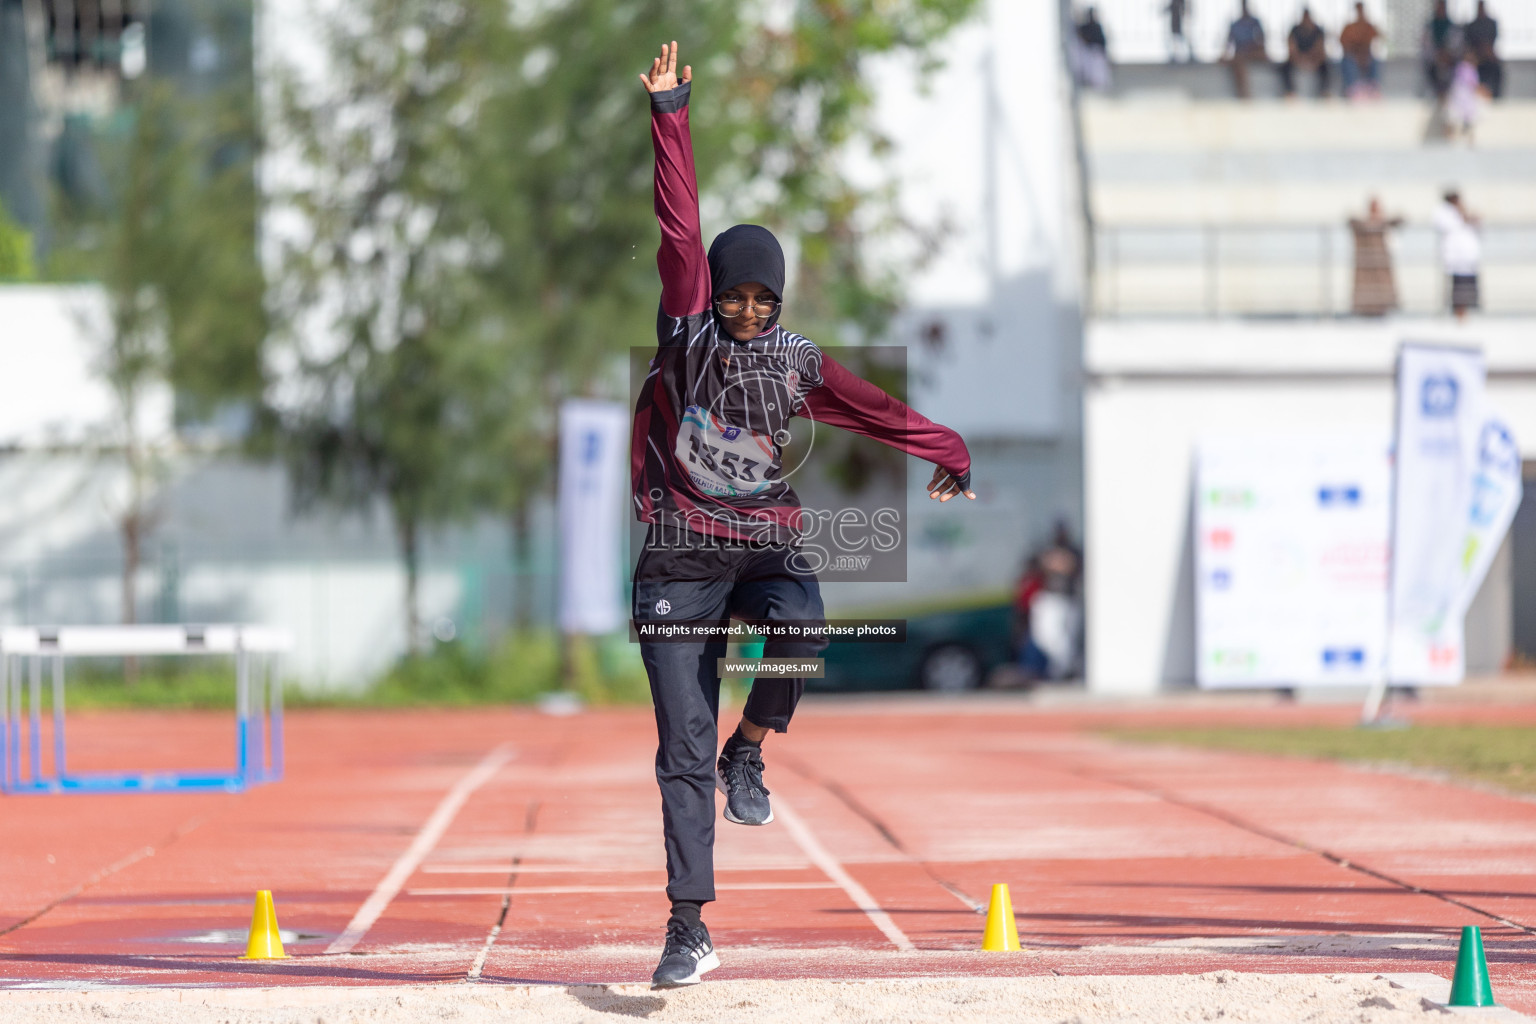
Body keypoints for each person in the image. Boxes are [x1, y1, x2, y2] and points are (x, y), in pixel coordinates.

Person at [634, 42, 975, 988]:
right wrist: (673, 117)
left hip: (764, 547)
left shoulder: (796, 358)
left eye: (761, 297)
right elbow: (678, 227)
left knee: (804, 630)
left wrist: (948, 450)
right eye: (734, 293)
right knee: (679, 749)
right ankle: (688, 925)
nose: (745, 309)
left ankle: (753, 749)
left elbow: (874, 408)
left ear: (778, 301)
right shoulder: (687, 330)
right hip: (678, 558)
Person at [1347, 197, 1403, 316]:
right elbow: (1351, 221)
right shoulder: (1364, 224)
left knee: (1380, 291)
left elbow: (1399, 220)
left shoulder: (1382, 223)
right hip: (1367, 264)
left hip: (1380, 263)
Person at [1432, 190, 1481, 320]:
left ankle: (1468, 310)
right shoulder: (1443, 212)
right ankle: (1457, 311)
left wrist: (1464, 213)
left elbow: (1476, 224)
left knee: (1469, 284)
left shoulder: (1463, 211)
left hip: (1467, 256)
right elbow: (1446, 226)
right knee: (1457, 285)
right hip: (1455, 256)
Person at [1222, 1, 1269, 99]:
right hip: (1240, 55)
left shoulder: (1255, 22)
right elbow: (1228, 43)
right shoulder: (1235, 25)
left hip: (1253, 52)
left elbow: (1262, 41)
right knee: (1238, 62)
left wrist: (1251, 47)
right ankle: (1244, 93)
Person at [1280, 8, 1330, 99]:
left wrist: (1313, 62)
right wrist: (1300, 60)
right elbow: (1292, 49)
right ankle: (1289, 92)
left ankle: (1324, 92)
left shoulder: (1318, 31)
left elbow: (1320, 50)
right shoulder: (1295, 30)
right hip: (1297, 60)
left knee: (1326, 67)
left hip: (1314, 60)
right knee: (1285, 68)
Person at [1339, 2, 1382, 99]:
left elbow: (1379, 37)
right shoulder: (1348, 27)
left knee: (1375, 61)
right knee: (1347, 62)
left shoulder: (1368, 26)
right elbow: (1345, 46)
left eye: (1362, 10)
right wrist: (1357, 56)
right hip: (1352, 56)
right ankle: (1352, 89)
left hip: (1366, 56)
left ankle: (1373, 89)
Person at [1422, 0, 1460, 100]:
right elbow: (1426, 45)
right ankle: (1437, 95)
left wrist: (1447, 54)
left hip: (1449, 59)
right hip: (1434, 59)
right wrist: (1437, 55)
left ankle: (1448, 96)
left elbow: (1456, 43)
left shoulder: (1452, 26)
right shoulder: (1430, 26)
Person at [1464, 1, 1502, 99]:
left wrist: (1487, 50)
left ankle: (1494, 96)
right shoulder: (1471, 26)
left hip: (1489, 55)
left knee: (1496, 68)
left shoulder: (1491, 23)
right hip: (1476, 56)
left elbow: (1493, 40)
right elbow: (1468, 43)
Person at [1074, 7, 1113, 91]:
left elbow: (1102, 42)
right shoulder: (1086, 27)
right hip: (1089, 55)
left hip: (1097, 55)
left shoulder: (1097, 26)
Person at [1447, 55, 1484, 143]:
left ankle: (1455, 139)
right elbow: (1472, 84)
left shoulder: (1459, 69)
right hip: (1464, 98)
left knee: (1456, 120)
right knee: (1463, 119)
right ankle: (1466, 139)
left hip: (1460, 97)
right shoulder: (1468, 70)